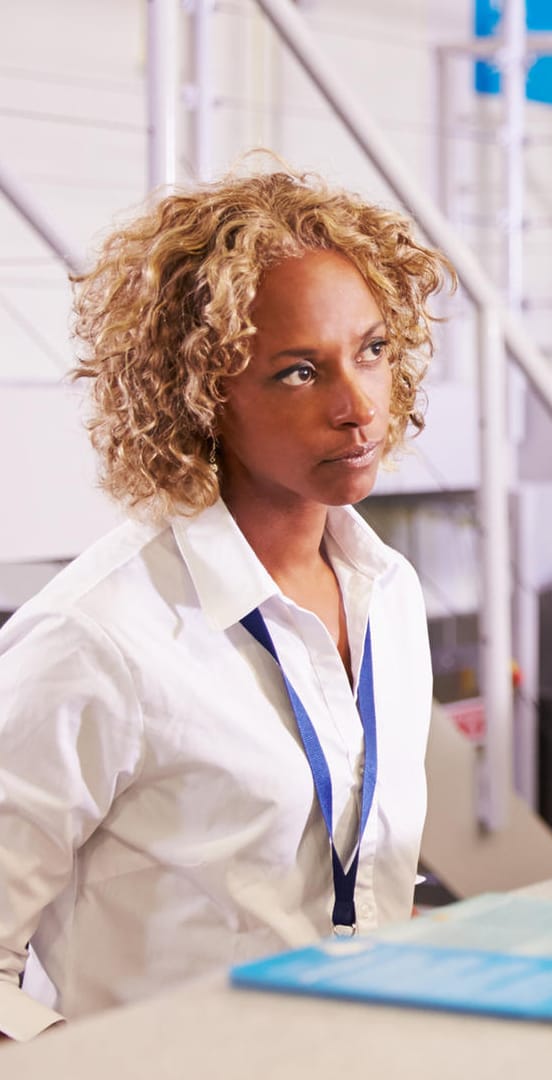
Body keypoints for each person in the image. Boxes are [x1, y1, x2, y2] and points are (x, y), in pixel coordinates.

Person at [0, 171, 453, 1041]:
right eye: (297, 371)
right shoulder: (95, 637)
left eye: (373, 350)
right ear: (200, 396)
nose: (357, 407)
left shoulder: (388, 591)